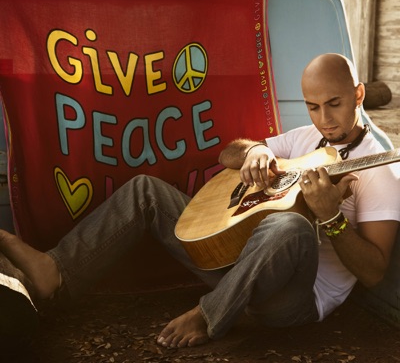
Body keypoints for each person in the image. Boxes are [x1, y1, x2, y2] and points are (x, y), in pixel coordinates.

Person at [0, 53, 399, 349]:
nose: (324, 118)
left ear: (358, 94)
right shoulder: (305, 138)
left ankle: (209, 314)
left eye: (335, 104)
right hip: (238, 263)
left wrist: (331, 218)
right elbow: (228, 154)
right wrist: (256, 151)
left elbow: (374, 273)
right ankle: (55, 270)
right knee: (145, 190)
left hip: (294, 298)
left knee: (291, 225)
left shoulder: (380, 171)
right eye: (313, 106)